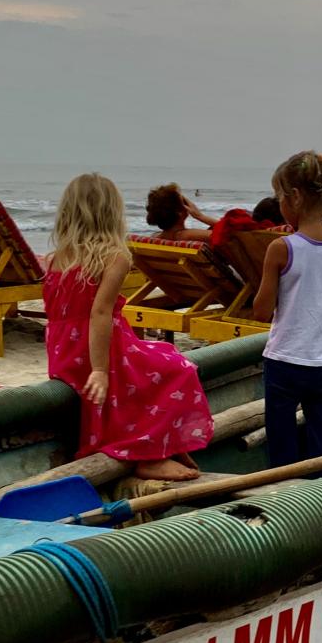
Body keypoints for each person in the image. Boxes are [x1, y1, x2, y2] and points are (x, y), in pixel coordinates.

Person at [44, 173, 212, 481]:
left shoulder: (54, 258)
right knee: (179, 368)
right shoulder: (115, 257)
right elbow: (100, 313)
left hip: (65, 352)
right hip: (98, 350)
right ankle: (149, 456)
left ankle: (168, 444)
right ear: (112, 213)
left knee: (158, 355)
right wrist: (99, 370)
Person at [252, 152, 322, 467]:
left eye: (280, 198)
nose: (280, 204)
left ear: (295, 197)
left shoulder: (281, 248)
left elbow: (260, 312)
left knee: (282, 447)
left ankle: (285, 494)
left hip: (283, 362)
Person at [145, 183, 219, 242]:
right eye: (184, 201)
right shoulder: (187, 236)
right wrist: (200, 216)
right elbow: (225, 233)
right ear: (179, 211)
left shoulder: (155, 236)